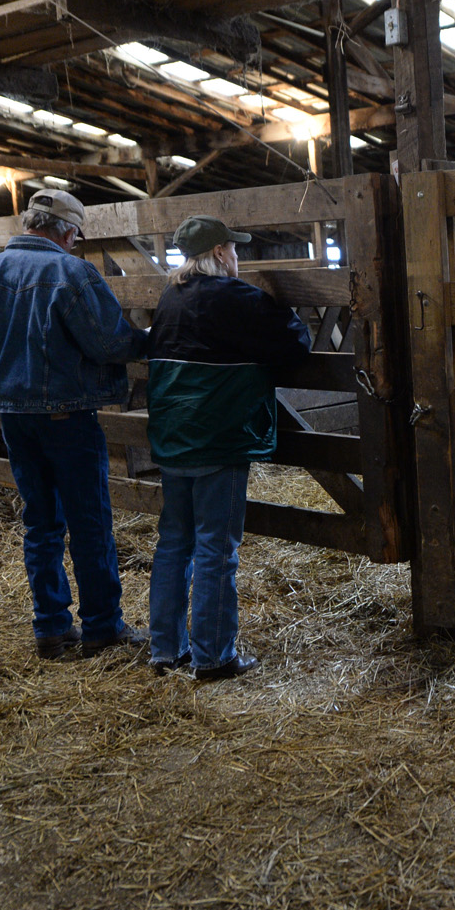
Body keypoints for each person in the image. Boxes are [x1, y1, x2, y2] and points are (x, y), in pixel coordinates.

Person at [0, 189, 148, 660]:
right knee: (89, 522)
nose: (75, 244)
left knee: (39, 523)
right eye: (76, 236)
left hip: (14, 418)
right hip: (67, 416)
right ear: (64, 230)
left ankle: (52, 629)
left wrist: (3, 366)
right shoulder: (71, 272)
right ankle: (102, 626)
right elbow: (109, 344)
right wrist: (155, 339)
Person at [146, 215, 312, 680]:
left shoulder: (170, 297)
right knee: (216, 550)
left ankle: (166, 650)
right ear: (220, 253)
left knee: (173, 545)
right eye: (234, 249)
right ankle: (214, 656)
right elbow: (296, 344)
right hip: (216, 438)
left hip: (172, 438)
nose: (237, 256)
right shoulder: (236, 298)